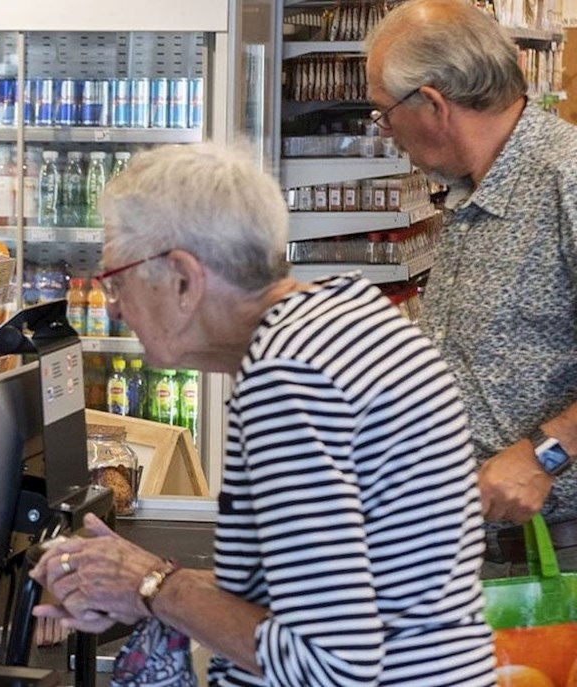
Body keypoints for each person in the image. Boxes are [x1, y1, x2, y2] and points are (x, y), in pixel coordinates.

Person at [29, 144, 494, 685]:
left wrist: (154, 585)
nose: (111, 304)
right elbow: (338, 594)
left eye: (117, 278)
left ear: (183, 276)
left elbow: (328, 665)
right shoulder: (350, 320)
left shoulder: (289, 379)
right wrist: (148, 588)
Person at [366, 0, 577, 574]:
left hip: (554, 555)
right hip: (473, 551)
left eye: (383, 113)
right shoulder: (472, 191)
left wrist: (545, 454)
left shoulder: (567, 180)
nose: (384, 132)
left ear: (431, 104)